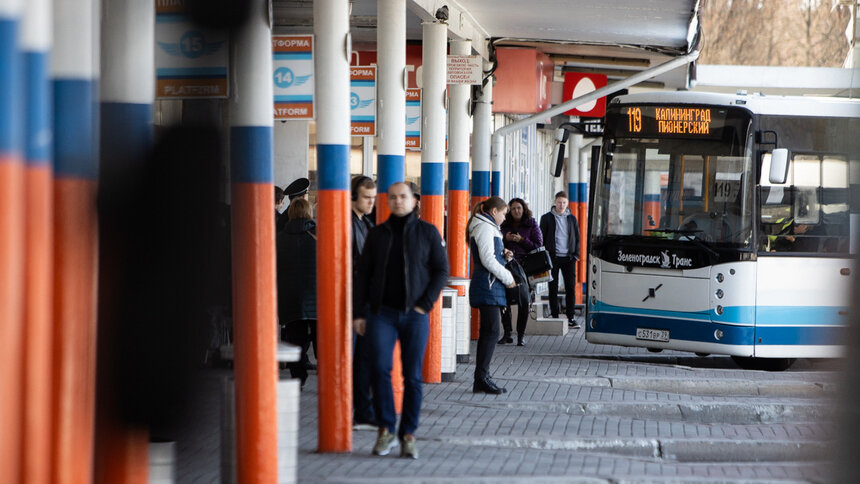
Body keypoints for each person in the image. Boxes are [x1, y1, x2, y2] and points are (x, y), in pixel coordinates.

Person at [354, 182, 449, 459]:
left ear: (413, 200)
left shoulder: (428, 232)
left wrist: (424, 305)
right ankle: (386, 429)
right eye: (393, 197)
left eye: (403, 197)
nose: (397, 201)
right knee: (380, 369)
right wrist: (359, 313)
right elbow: (363, 276)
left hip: (414, 315)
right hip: (381, 313)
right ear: (387, 201)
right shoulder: (377, 235)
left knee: (413, 376)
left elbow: (441, 270)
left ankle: (408, 434)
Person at [467, 196, 516, 395]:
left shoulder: (486, 226)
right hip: (488, 284)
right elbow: (487, 259)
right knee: (492, 331)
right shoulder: (485, 227)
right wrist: (508, 277)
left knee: (491, 330)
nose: (505, 218)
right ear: (494, 212)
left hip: (489, 283)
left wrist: (503, 255)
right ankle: (481, 378)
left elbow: (489, 255)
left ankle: (483, 377)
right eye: (504, 213)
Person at [276, 198, 317, 386]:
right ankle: (326, 379)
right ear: (309, 213)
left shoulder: (279, 238)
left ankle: (298, 378)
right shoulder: (319, 235)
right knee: (322, 342)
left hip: (289, 297)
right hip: (317, 297)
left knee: (295, 339)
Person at [350, 175, 377, 430]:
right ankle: (362, 410)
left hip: (364, 300)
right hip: (354, 302)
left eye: (373, 198)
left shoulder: (365, 224)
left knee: (364, 360)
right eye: (366, 198)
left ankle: (364, 409)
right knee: (358, 359)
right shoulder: (350, 225)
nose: (371, 202)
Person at [499, 198, 543, 346]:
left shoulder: (531, 223)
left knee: (524, 300)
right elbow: (496, 242)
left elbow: (538, 245)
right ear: (509, 211)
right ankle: (507, 333)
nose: (516, 211)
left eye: (519, 208)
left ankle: (521, 335)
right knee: (503, 299)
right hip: (507, 266)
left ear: (523, 209)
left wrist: (522, 240)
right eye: (513, 209)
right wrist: (506, 238)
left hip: (525, 268)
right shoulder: (504, 224)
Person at [539, 191, 581, 329]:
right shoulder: (546, 218)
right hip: (553, 258)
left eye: (564, 202)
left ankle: (571, 317)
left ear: (567, 203)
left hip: (569, 258)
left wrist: (576, 255)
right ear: (554, 202)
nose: (561, 205)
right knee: (553, 287)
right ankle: (555, 315)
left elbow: (577, 237)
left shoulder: (572, 219)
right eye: (559, 202)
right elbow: (541, 238)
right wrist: (544, 255)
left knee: (570, 287)